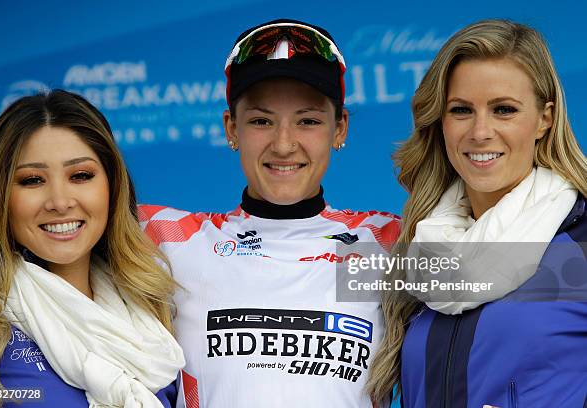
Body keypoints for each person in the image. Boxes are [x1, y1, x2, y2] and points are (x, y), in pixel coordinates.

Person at [137, 19, 400, 407]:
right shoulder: (167, 237)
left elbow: (511, 285)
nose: (283, 144)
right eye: (261, 121)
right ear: (231, 128)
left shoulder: (388, 241)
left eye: (308, 121)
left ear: (340, 128)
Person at [367, 19, 587, 407]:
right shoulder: (421, 246)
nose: (480, 132)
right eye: (462, 110)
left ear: (544, 118)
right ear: (441, 121)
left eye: (504, 110)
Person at [0, 90, 185, 407]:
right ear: (0, 195)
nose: (60, 202)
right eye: (32, 180)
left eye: (80, 175)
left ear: (112, 186)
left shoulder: (153, 311)